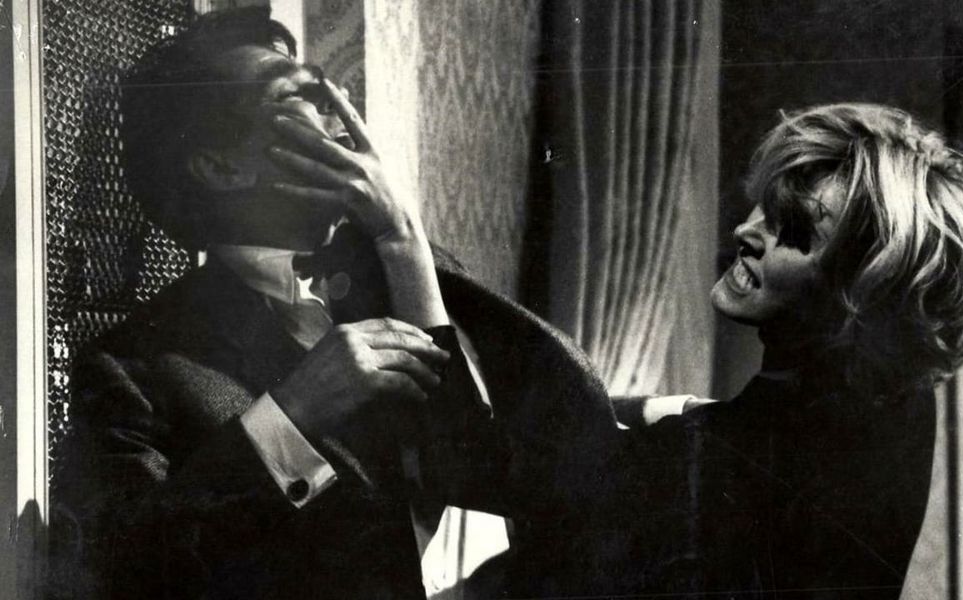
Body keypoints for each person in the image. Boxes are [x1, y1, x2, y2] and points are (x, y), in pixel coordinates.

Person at [50, 8, 616, 600]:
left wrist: (401, 235)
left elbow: (501, 475)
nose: (343, 109)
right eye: (302, 96)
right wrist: (291, 414)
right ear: (221, 166)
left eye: (330, 90)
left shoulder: (407, 272)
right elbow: (133, 571)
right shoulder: (132, 369)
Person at [567, 103, 963, 598]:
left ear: (859, 292)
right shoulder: (896, 403)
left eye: (793, 232)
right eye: (768, 206)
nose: (746, 233)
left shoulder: (727, 461)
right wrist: (676, 409)